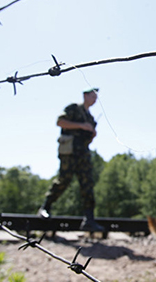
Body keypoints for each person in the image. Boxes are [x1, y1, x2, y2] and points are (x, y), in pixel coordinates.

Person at [37, 88, 105, 234]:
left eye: (96, 97)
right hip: (69, 150)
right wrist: (81, 126)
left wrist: (92, 134)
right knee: (64, 180)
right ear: (85, 95)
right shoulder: (73, 108)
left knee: (87, 184)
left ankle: (89, 220)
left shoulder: (91, 118)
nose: (95, 99)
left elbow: (89, 139)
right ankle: (45, 207)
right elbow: (60, 122)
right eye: (93, 96)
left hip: (83, 153)